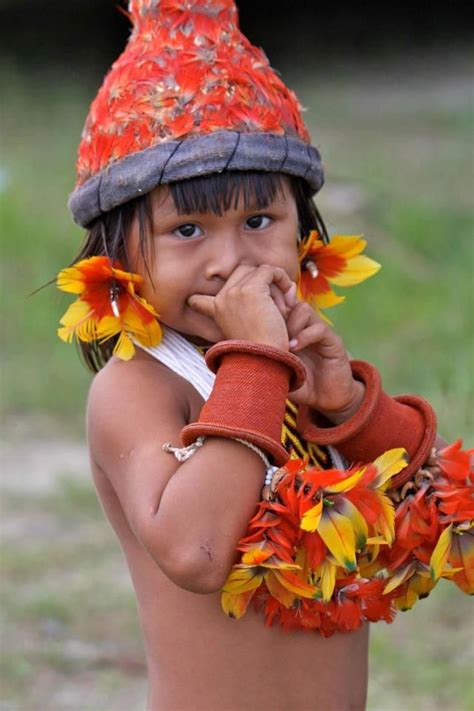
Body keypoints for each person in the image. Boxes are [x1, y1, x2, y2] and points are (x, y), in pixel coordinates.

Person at [56, 2, 472, 709]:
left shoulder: (303, 367)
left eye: (259, 220)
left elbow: (439, 512)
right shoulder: (143, 387)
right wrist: (254, 364)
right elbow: (195, 552)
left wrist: (347, 404)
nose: (230, 260)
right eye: (187, 228)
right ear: (119, 255)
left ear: (304, 229)